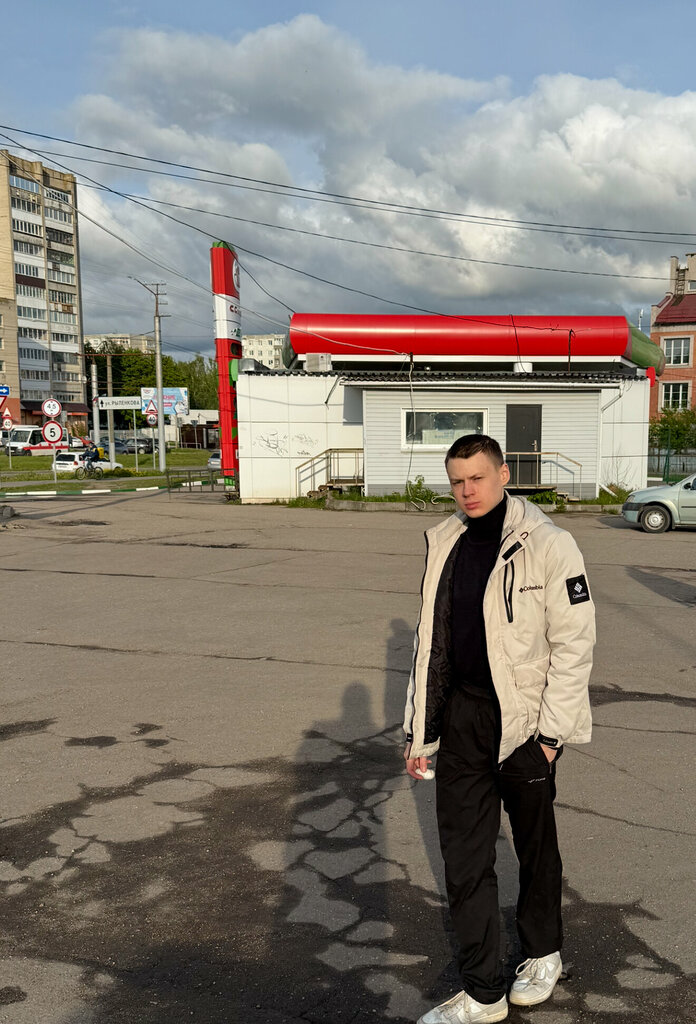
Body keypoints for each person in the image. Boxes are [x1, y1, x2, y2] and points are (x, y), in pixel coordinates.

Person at [403, 434, 595, 1024]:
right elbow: (431, 643)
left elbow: (574, 645)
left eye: (477, 478)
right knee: (464, 859)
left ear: (504, 474)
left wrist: (551, 738)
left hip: (526, 722)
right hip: (463, 719)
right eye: (457, 481)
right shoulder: (446, 542)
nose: (467, 491)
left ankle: (542, 952)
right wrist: (420, 732)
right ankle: (484, 993)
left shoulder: (550, 544)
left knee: (535, 849)